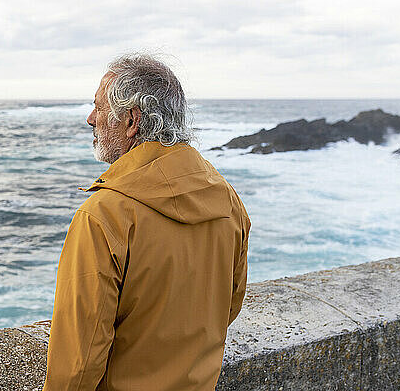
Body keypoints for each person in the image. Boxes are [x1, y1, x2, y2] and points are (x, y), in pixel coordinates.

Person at [43, 53, 251, 391]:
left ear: (131, 121)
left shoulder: (103, 215)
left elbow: (77, 365)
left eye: (99, 107)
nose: (90, 118)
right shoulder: (227, 202)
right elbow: (228, 305)